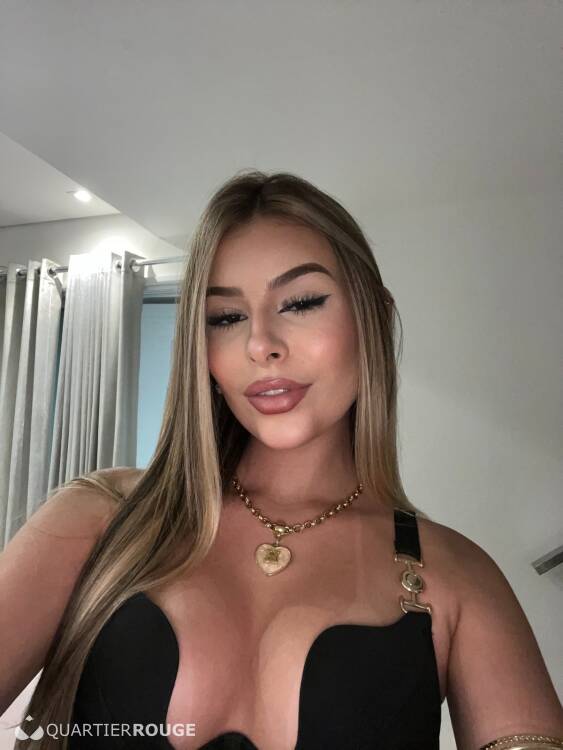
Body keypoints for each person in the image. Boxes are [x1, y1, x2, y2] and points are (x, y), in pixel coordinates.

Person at [1, 170, 562, 750]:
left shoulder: (457, 578)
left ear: (374, 315)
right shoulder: (98, 518)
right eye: (226, 318)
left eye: (301, 303)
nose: (260, 344)